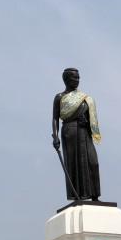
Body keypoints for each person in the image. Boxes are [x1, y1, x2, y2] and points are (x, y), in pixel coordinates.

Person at [51, 67, 102, 201]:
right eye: (74, 78)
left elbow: (91, 117)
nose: (77, 80)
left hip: (85, 132)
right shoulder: (60, 97)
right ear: (67, 80)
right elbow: (55, 118)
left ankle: (94, 196)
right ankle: (77, 196)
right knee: (74, 163)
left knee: (93, 162)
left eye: (78, 78)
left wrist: (88, 124)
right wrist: (55, 137)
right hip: (70, 131)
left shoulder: (85, 98)